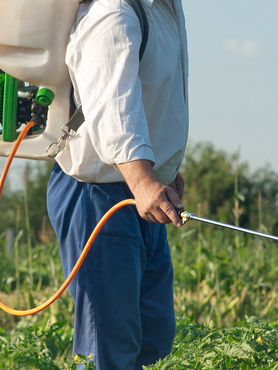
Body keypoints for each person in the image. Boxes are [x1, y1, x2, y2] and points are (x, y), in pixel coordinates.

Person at [46, 0, 189, 368]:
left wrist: (165, 168)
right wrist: (142, 177)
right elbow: (115, 108)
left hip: (137, 188)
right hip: (99, 194)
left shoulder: (164, 9)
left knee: (154, 337)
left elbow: (152, 97)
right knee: (109, 349)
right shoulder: (115, 11)